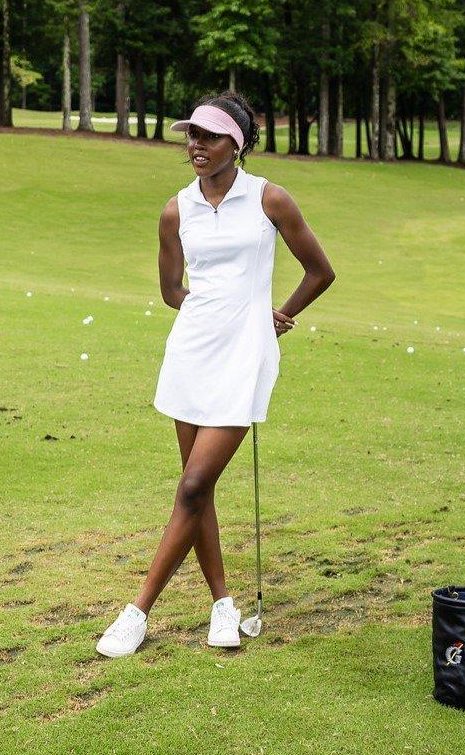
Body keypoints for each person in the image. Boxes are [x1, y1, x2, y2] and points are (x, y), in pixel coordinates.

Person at [96, 93, 335, 659]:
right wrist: (214, 313)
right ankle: (223, 603)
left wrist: (274, 317)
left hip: (245, 358)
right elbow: (171, 290)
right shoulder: (176, 210)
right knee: (196, 489)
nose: (196, 145)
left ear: (238, 144)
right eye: (192, 135)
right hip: (192, 354)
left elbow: (320, 271)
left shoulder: (270, 198)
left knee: (193, 486)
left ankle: (137, 611)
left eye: (209, 136)